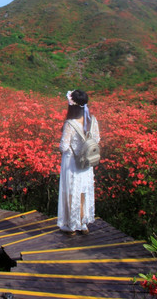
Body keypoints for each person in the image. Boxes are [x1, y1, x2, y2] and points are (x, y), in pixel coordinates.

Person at [57, 89, 100, 235]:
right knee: (82, 192)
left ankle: (71, 225)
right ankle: (82, 223)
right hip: (86, 163)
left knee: (70, 191)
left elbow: (63, 146)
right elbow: (97, 140)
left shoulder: (70, 123)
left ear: (72, 104)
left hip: (72, 162)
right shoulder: (92, 120)